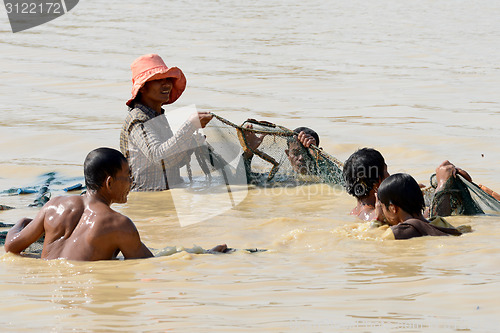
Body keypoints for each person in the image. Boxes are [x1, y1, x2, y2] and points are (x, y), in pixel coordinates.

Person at [4, 148, 227, 261]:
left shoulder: (53, 206)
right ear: (109, 182)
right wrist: (204, 254)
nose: (132, 182)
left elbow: (12, 247)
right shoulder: (119, 224)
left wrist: (22, 222)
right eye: (128, 176)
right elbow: (151, 266)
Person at [120, 54, 214, 191]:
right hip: (147, 195)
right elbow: (160, 159)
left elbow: (171, 162)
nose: (167, 84)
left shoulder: (158, 117)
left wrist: (190, 145)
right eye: (158, 80)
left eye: (168, 79)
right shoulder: (138, 120)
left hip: (167, 191)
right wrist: (190, 126)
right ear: (143, 87)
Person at [343, 148, 473, 221]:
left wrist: (406, 193)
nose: (389, 176)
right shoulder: (379, 214)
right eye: (386, 171)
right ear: (378, 182)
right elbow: (428, 221)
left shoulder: (356, 213)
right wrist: (443, 184)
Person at [377, 173, 461, 240]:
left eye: (382, 207)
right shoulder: (439, 221)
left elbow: (373, 239)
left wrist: (377, 220)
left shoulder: (397, 232)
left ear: (393, 208)